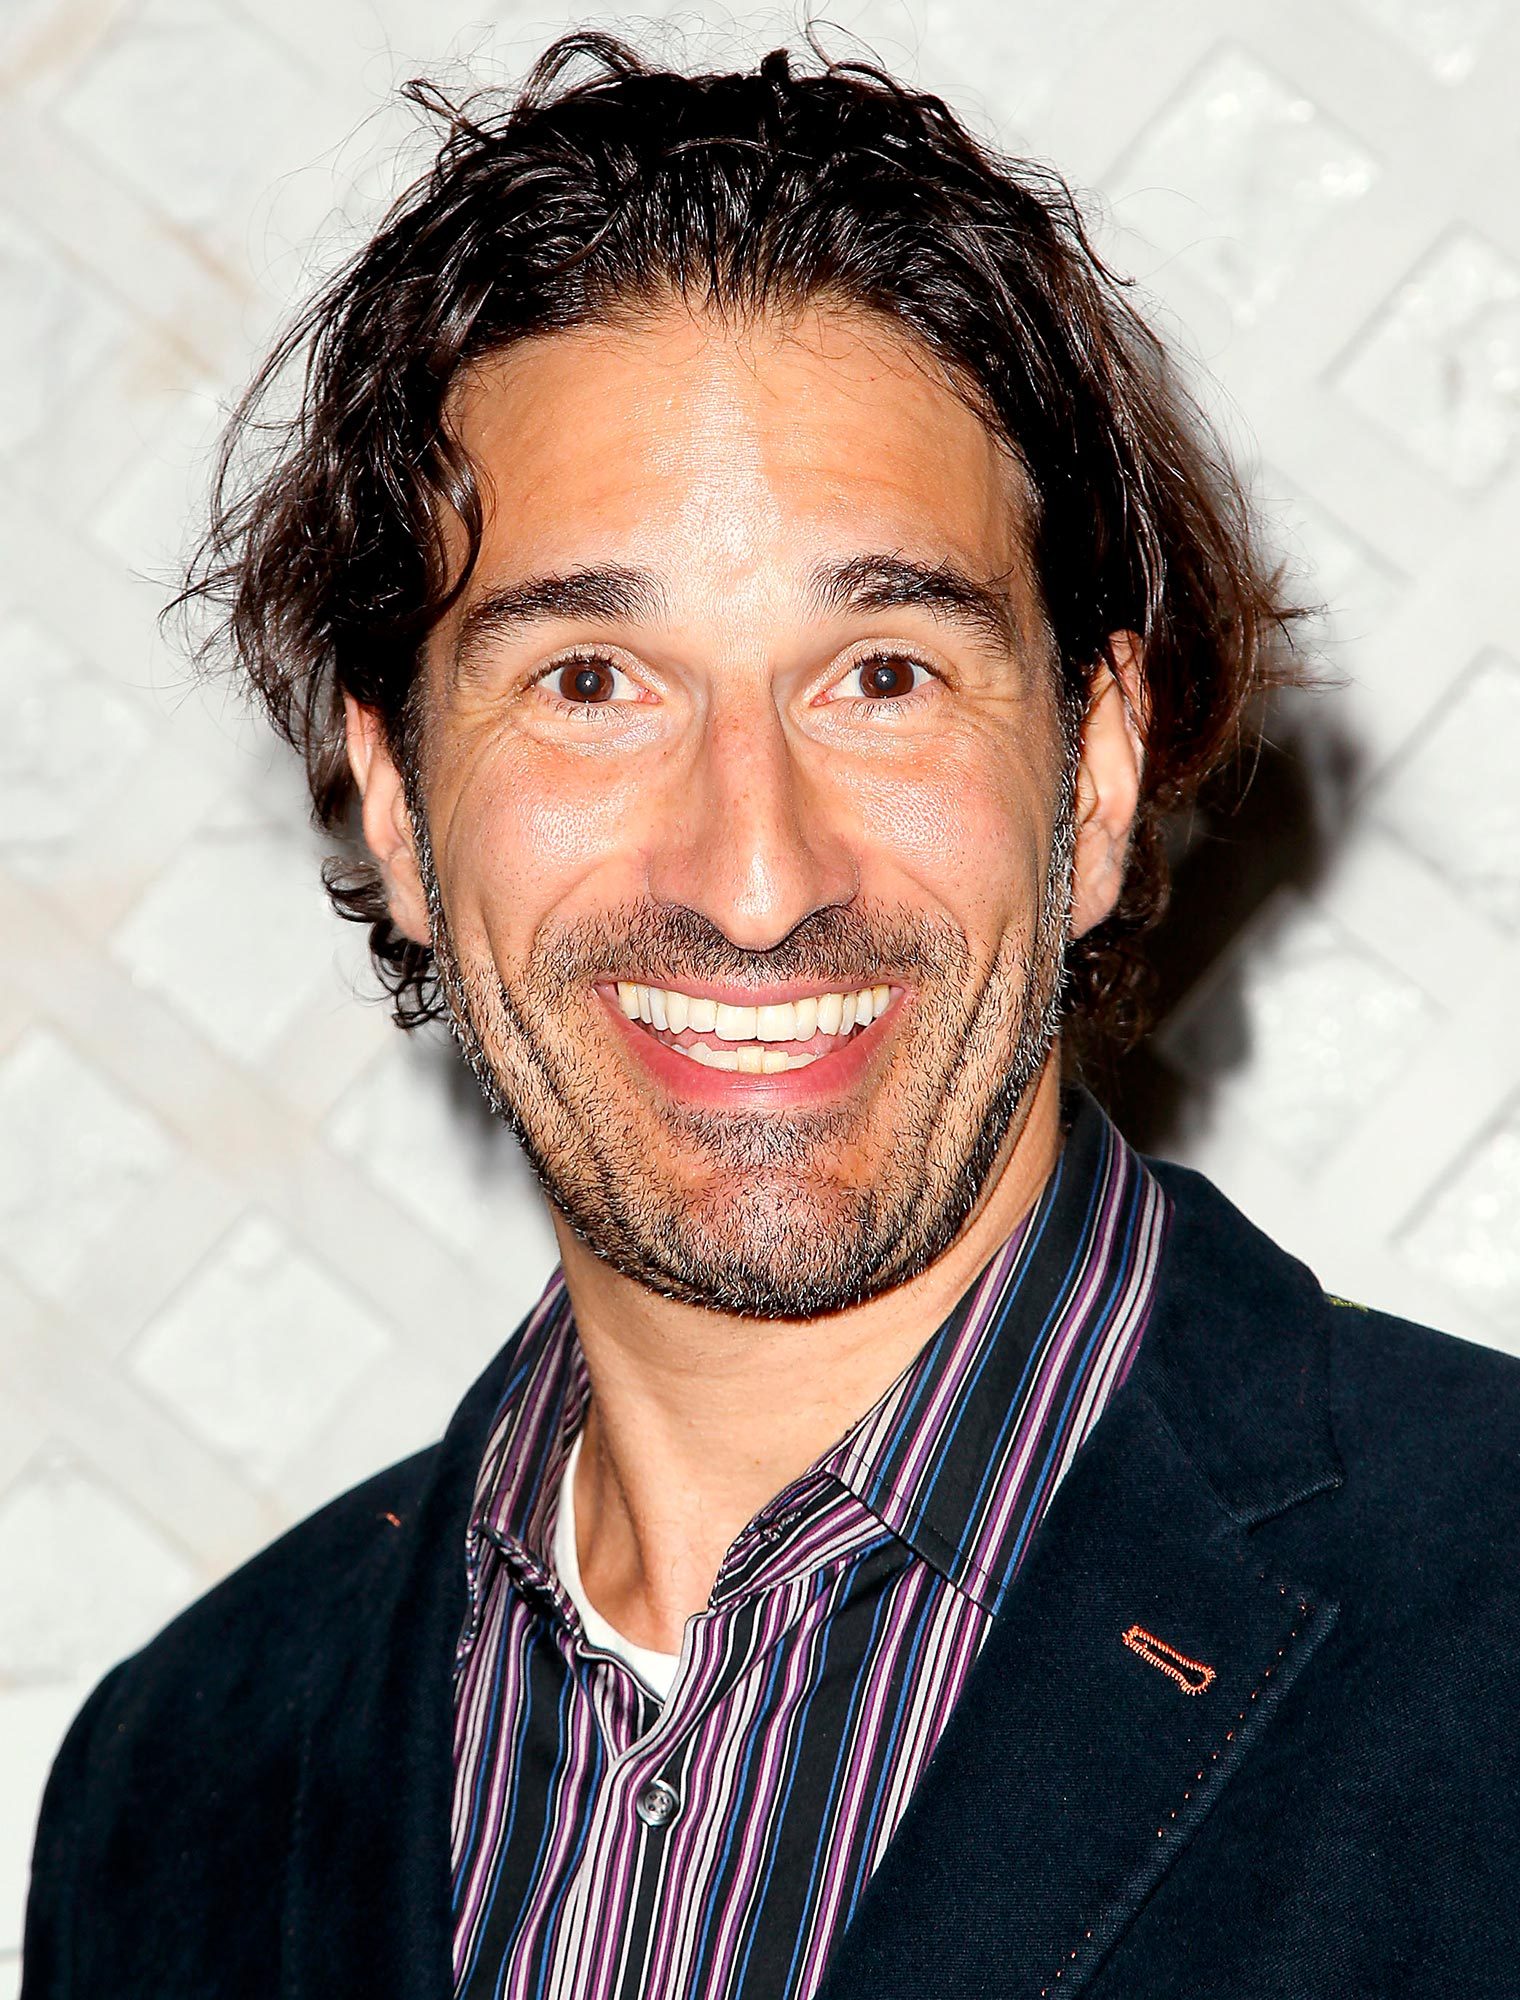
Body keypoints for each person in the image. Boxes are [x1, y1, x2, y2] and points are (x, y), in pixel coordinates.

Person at [21, 33, 1520, 1999]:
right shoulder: (179, 1773)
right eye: (589, 679)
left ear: (1088, 772)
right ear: (394, 798)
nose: (754, 872)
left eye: (882, 672)